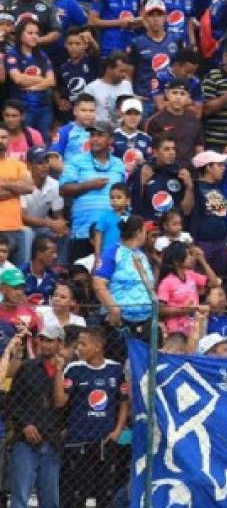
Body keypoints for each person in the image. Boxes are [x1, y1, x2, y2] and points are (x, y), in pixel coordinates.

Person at [53, 327, 127, 508]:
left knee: (105, 494)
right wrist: (59, 370)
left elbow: (123, 402)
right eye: (78, 343)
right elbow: (60, 401)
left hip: (106, 444)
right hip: (78, 444)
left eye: (83, 344)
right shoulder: (74, 369)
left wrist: (118, 430)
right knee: (77, 495)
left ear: (98, 346)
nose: (79, 348)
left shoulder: (115, 370)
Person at [7, 321, 64, 508]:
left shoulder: (69, 370)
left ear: (60, 343)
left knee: (50, 497)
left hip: (53, 440)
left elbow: (64, 405)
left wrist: (62, 432)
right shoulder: (27, 368)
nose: (44, 344)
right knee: (20, 495)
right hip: (25, 441)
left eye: (50, 340)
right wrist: (25, 425)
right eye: (42, 339)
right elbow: (13, 402)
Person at [58, 121, 126, 262]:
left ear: (111, 140)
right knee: (80, 278)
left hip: (113, 233)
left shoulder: (119, 164)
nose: (95, 139)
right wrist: (89, 185)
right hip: (83, 231)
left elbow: (124, 196)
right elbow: (63, 190)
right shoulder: (76, 161)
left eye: (100, 135)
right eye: (92, 135)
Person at [92, 215, 155, 346]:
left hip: (145, 322)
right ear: (139, 232)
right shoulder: (112, 252)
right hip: (120, 323)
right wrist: (114, 310)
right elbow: (98, 283)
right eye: (145, 231)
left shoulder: (141, 255)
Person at [6, 18, 56, 138]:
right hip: (23, 109)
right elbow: (17, 79)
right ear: (20, 35)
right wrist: (40, 79)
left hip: (44, 108)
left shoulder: (42, 55)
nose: (34, 36)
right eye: (30, 33)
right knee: (25, 140)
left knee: (44, 142)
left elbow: (52, 81)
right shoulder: (12, 54)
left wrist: (31, 86)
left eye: (37, 33)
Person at [20, 146, 66, 262]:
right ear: (29, 165)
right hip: (22, 225)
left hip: (43, 226)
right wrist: (51, 224)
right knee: (28, 233)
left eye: (46, 162)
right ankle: (25, 269)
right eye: (40, 163)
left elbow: (57, 215)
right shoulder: (22, 182)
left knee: (64, 233)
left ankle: (59, 268)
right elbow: (23, 217)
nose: (45, 166)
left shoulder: (54, 184)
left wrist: (61, 226)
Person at [0, 124, 35, 267]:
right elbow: (22, 188)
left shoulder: (18, 164)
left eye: (3, 137)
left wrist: (4, 183)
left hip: (15, 226)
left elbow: (29, 187)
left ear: (9, 140)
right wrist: (15, 188)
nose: (0, 141)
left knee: (17, 274)